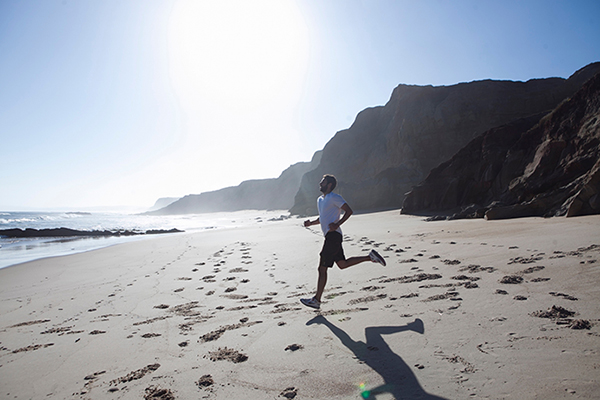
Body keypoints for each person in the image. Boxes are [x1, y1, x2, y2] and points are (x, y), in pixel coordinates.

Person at [300, 174, 386, 310]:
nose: (319, 184)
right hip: (331, 237)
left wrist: (337, 223)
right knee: (342, 264)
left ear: (329, 185)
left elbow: (349, 211)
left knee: (322, 268)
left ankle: (316, 300)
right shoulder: (320, 200)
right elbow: (323, 217)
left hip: (333, 236)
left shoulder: (335, 197)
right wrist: (311, 223)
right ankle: (370, 257)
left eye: (322, 182)